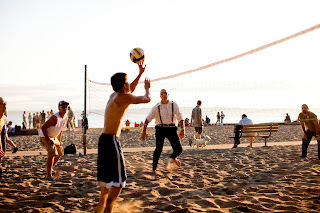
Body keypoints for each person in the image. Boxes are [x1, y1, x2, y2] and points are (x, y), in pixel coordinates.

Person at [95, 61, 150, 213]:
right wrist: (147, 89)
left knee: (106, 182)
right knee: (119, 182)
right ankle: (108, 208)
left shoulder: (115, 95)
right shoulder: (121, 97)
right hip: (111, 141)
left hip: (103, 140)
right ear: (123, 85)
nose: (129, 84)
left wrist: (139, 74)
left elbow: (130, 88)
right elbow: (146, 99)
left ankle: (100, 208)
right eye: (127, 81)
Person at [141, 89, 185, 172]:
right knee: (158, 149)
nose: (164, 95)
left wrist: (183, 130)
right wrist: (144, 131)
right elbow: (147, 119)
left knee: (179, 149)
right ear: (160, 96)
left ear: (168, 95)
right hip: (160, 129)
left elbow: (180, 118)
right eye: (162, 94)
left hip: (171, 129)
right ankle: (154, 168)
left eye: (165, 93)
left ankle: (172, 158)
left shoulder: (173, 105)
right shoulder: (156, 107)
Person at [39, 100, 69, 178]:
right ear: (59, 108)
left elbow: (60, 129)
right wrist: (48, 140)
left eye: (66, 107)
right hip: (45, 136)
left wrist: (59, 140)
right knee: (52, 152)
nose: (65, 108)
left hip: (54, 136)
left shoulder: (65, 117)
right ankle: (49, 175)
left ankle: (50, 168)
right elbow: (43, 127)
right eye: (63, 107)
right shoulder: (54, 118)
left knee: (60, 152)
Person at [0, 97, 7, 176]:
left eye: (5, 103)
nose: (5, 105)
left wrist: (0, 148)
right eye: (2, 103)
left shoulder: (4, 118)